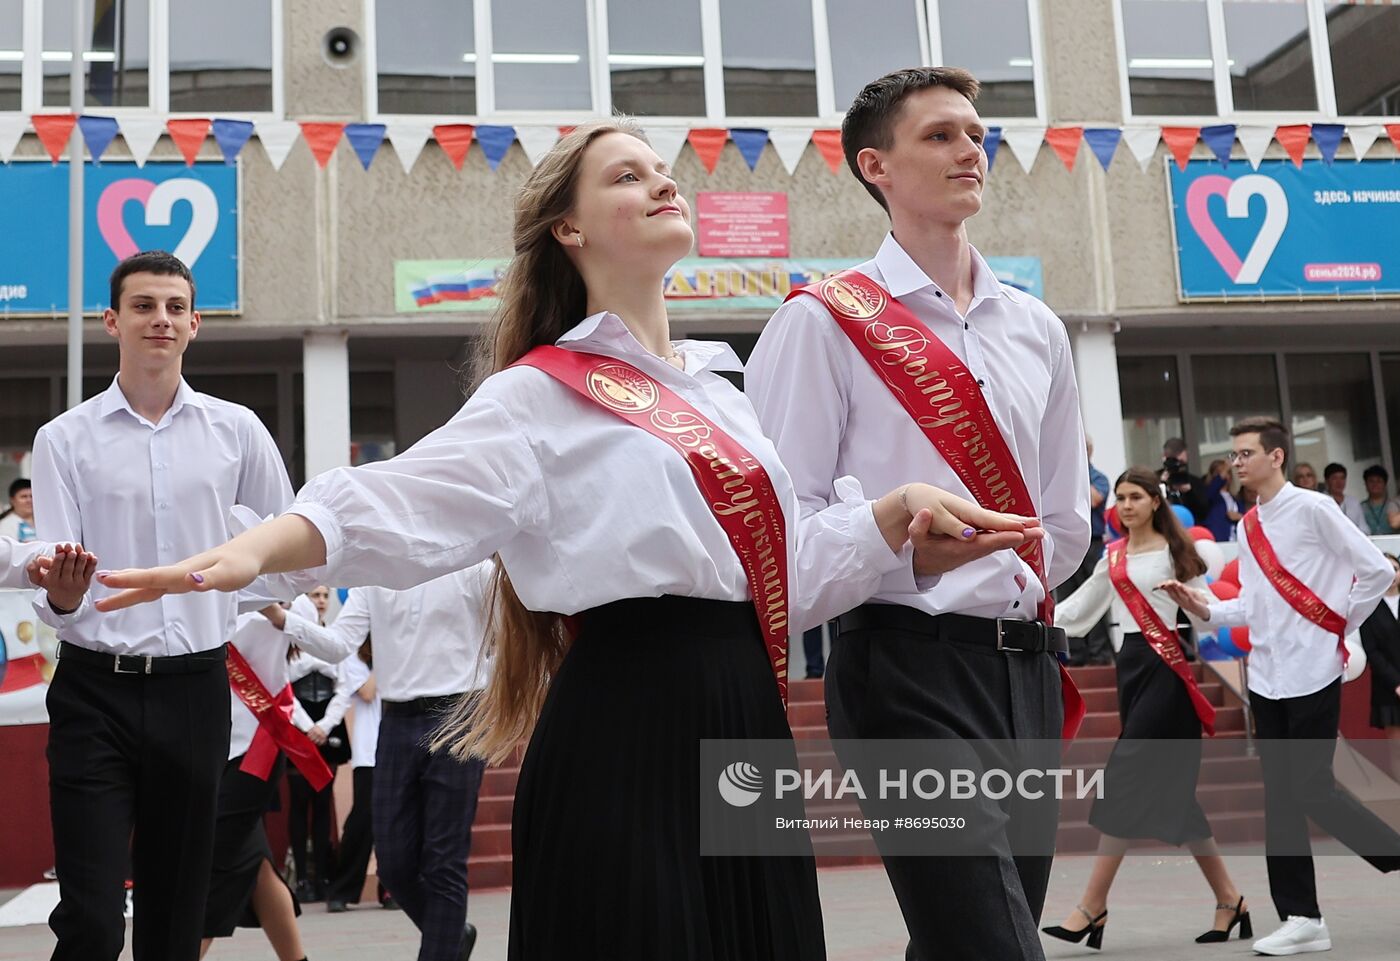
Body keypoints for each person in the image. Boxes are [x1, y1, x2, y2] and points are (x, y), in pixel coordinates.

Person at [93, 121, 1040, 961]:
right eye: (627, 176)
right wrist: (261, 548)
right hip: (628, 716)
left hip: (745, 710)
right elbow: (406, 496)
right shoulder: (542, 392)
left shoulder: (721, 393)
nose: (663, 182)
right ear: (571, 230)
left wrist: (890, 523)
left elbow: (779, 571)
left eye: (663, 169)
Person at [745, 67, 1090, 961]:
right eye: (939, 135)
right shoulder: (822, 322)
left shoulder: (1036, 327)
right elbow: (778, 537)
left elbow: (1061, 519)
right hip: (904, 668)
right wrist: (910, 563)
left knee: (957, 939)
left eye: (977, 133)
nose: (971, 150)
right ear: (876, 166)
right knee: (997, 943)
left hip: (1025, 674)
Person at [32, 250, 295, 961]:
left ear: (195, 324)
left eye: (175, 307)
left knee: (175, 918)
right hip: (92, 692)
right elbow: (56, 579)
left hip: (195, 690)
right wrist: (63, 595)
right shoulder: (63, 440)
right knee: (88, 917)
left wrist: (232, 596)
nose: (161, 320)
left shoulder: (237, 430)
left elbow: (290, 544)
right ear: (112, 320)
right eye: (145, 306)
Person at [1162, 417, 1400, 957]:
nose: (1237, 461)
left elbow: (1375, 571)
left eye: (1247, 452)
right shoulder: (1248, 526)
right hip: (1267, 674)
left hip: (1314, 667)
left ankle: (1392, 854)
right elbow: (1252, 602)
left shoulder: (1315, 509)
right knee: (1281, 800)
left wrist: (1336, 622)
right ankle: (1302, 917)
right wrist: (1203, 607)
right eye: (1235, 453)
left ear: (1276, 457)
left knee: (1311, 785)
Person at [1041, 468, 1250, 950]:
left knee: (1122, 780)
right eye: (1121, 497)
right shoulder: (1111, 557)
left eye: (1136, 496)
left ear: (1155, 502)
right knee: (1179, 800)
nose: (1127, 505)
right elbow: (1078, 613)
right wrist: (1036, 621)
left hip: (1170, 672)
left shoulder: (1181, 554)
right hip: (1131, 668)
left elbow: (1205, 609)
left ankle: (1091, 907)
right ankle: (1230, 901)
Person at [283, 564, 496, 959]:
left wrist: (490, 700)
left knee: (443, 861)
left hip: (457, 716)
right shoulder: (374, 575)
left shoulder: (474, 567)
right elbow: (338, 644)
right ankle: (452, 934)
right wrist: (280, 618)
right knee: (394, 865)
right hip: (396, 720)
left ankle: (440, 947)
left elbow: (507, 636)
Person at [202, 597, 352, 961]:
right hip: (206, 744)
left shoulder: (284, 593)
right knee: (255, 865)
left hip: (256, 746)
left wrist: (278, 613)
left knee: (213, 866)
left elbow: (333, 649)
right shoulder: (204, 588)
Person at [285, 609, 354, 904]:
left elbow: (344, 688)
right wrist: (307, 726)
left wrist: (325, 726)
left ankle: (324, 877)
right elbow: (282, 687)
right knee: (299, 802)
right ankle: (301, 878)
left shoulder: (334, 642)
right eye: (315, 596)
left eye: (325, 596)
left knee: (324, 803)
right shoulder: (287, 643)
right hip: (298, 721)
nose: (321, 601)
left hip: (328, 722)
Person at [324, 636, 390, 914]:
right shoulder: (354, 657)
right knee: (362, 820)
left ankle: (390, 889)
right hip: (369, 751)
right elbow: (366, 691)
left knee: (396, 820)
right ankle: (343, 889)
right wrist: (390, 657)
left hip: (399, 746)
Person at [1059, 438, 1113, 666]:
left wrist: (1074, 474)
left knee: (1095, 597)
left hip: (1092, 544)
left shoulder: (1098, 477)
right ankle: (1076, 652)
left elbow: (1093, 499)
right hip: (1067, 543)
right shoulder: (1062, 477)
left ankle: (1099, 653)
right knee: (1067, 597)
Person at [1358, 553, 1400, 779]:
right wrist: (1396, 684)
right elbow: (1371, 651)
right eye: (1386, 569)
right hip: (1388, 687)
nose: (1392, 575)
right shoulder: (1369, 608)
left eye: (1396, 568)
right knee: (1397, 749)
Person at [1161, 438, 1209, 524]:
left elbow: (1203, 513)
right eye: (1175, 462)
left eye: (1182, 463)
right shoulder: (1156, 480)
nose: (1178, 467)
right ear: (1164, 459)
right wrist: (1162, 485)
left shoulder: (1194, 482)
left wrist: (1190, 492)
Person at [1322, 462, 1367, 532]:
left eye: (1342, 478)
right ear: (1327, 481)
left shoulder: (1353, 502)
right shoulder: (1322, 501)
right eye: (1335, 478)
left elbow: (1364, 528)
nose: (1339, 482)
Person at [1203, 458, 1236, 543]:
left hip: (1235, 540)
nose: (1224, 475)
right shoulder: (1211, 495)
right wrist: (1226, 468)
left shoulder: (1235, 498)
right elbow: (1212, 490)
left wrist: (1239, 517)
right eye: (1218, 473)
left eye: (1227, 472)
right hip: (1219, 540)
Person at [1360, 465, 1400, 535]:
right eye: (1371, 481)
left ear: (1385, 484)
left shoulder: (1395, 505)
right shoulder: (1360, 507)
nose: (1375, 484)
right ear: (1366, 484)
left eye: (1379, 481)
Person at [0, 478, 35, 542]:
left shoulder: (43, 521)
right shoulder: (6, 525)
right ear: (12, 500)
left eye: (32, 496)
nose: (29, 500)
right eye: (24, 496)